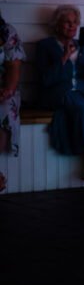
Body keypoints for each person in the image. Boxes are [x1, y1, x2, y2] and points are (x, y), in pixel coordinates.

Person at [36, 4, 84, 185]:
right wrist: (63, 58)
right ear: (57, 25)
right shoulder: (45, 46)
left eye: (75, 23)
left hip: (83, 93)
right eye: (67, 23)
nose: (71, 26)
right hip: (59, 94)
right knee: (83, 109)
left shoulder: (82, 46)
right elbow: (45, 80)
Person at [0, 10, 25, 193]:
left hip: (2, 88)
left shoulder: (6, 32)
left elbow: (13, 65)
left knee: (5, 109)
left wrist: (8, 89)